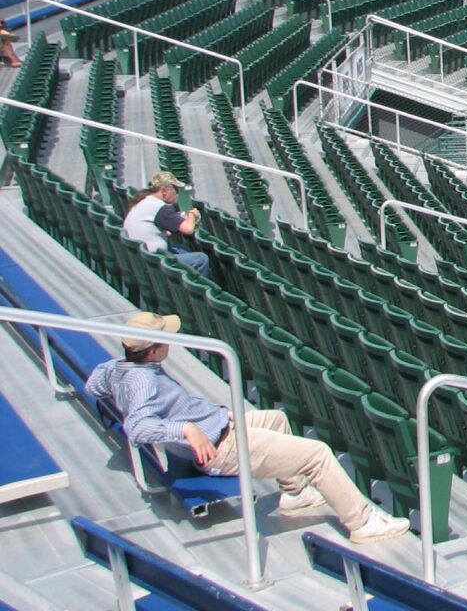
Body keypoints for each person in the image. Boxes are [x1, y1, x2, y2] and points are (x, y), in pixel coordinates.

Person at [86, 312, 409, 545]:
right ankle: (362, 521)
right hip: (221, 446)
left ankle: (294, 494)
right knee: (318, 454)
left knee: (277, 420)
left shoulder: (119, 367)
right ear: (155, 349)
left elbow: (94, 385)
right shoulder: (142, 380)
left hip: (220, 424)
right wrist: (185, 429)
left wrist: (120, 389)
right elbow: (138, 427)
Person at [121, 171, 209, 276]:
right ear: (164, 190)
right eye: (175, 189)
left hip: (142, 256)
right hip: (153, 259)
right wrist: (192, 214)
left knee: (182, 249)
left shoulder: (145, 201)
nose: (177, 193)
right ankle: (196, 291)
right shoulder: (159, 207)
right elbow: (188, 229)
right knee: (201, 259)